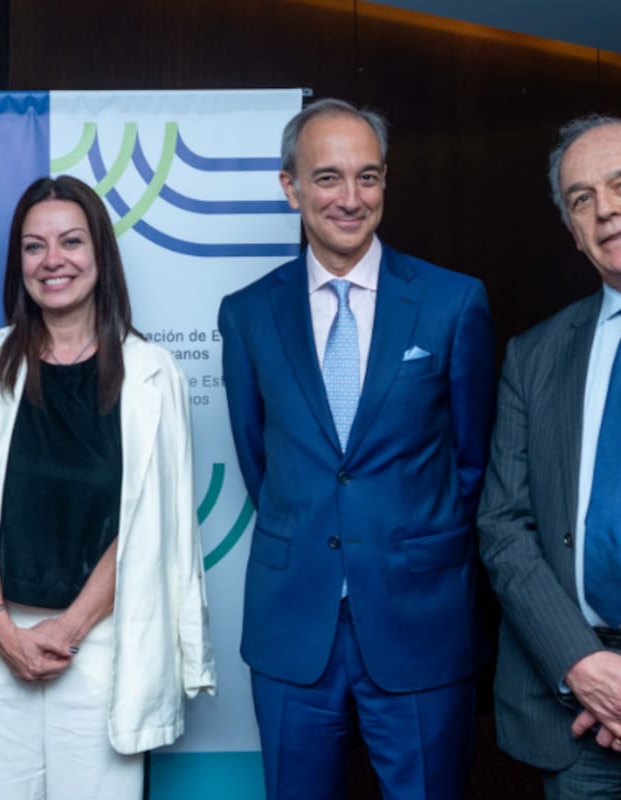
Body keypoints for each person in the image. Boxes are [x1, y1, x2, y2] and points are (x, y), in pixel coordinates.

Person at [218, 98, 496, 799]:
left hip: (420, 619)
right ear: (291, 186)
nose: (350, 199)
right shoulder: (248, 314)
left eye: (367, 178)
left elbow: (472, 459)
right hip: (292, 622)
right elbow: (260, 461)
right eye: (328, 178)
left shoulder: (452, 302)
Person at [0, 174, 215, 799]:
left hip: (103, 649)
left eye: (71, 242)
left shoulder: (152, 375)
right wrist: (0, 627)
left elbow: (151, 525)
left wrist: (71, 628)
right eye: (34, 246)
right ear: (17, 262)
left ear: (100, 256)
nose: (53, 261)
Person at [478, 114, 621, 797]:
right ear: (573, 230)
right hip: (567, 710)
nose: (605, 211)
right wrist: (582, 665)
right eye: (581, 200)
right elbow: (503, 527)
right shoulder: (534, 354)